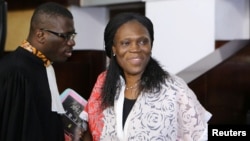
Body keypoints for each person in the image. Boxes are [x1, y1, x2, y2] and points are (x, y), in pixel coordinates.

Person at [84, 12, 212, 141]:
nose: (135, 49)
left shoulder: (174, 88)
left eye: (142, 42)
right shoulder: (103, 82)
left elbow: (200, 135)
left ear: (151, 45)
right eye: (126, 43)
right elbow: (89, 128)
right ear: (114, 49)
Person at [0, 2, 77, 141]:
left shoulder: (43, 65)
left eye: (72, 35)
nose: (72, 42)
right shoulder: (16, 72)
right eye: (65, 36)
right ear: (41, 35)